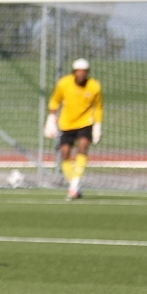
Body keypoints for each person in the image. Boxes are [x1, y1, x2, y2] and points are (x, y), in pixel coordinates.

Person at [44, 58, 104, 200]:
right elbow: (55, 100)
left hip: (85, 122)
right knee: (65, 153)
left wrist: (97, 126)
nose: (81, 74)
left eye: (84, 71)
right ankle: (74, 186)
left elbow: (98, 107)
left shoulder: (94, 86)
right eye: (78, 71)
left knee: (83, 146)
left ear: (87, 72)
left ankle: (74, 184)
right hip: (67, 123)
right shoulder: (64, 83)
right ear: (74, 72)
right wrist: (51, 118)